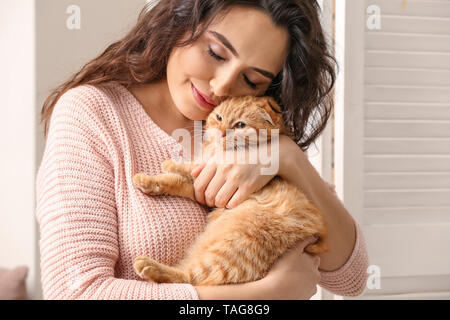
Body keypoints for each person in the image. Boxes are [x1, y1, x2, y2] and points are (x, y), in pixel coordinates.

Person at [36, 0, 369, 300]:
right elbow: (75, 292)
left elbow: (350, 277)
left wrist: (287, 157)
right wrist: (263, 297)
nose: (223, 86)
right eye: (215, 53)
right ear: (179, 20)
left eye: (252, 80)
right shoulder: (94, 114)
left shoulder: (252, 132)